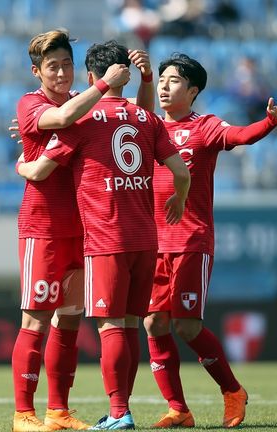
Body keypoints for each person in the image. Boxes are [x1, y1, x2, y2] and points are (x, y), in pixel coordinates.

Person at [17, 40, 191, 430]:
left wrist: (22, 165)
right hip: (135, 236)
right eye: (53, 66)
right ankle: (37, 412)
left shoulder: (84, 118)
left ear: (90, 74)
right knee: (122, 324)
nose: (62, 73)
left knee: (104, 324)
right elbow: (179, 169)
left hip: (102, 236)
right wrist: (178, 201)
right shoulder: (146, 119)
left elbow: (42, 167)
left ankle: (112, 412)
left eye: (67, 65)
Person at [144, 53, 277, 429]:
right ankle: (178, 409)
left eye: (174, 80)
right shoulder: (149, 127)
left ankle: (232, 390)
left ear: (192, 91)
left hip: (190, 240)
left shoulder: (204, 126)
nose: (164, 86)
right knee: (154, 323)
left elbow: (240, 136)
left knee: (186, 326)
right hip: (153, 243)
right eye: (162, 79)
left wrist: (269, 122)